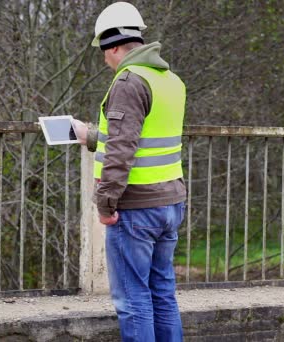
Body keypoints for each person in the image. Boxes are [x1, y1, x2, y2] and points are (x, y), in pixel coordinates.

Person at [72, 2, 187, 341]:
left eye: (104, 52)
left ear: (115, 46)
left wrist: (105, 204)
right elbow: (144, 137)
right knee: (162, 293)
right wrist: (91, 136)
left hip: (137, 209)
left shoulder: (128, 82)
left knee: (132, 298)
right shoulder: (170, 81)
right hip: (170, 203)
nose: (105, 60)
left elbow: (122, 151)